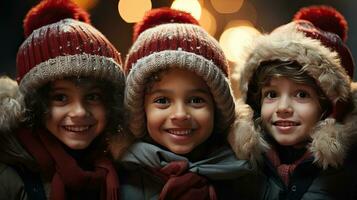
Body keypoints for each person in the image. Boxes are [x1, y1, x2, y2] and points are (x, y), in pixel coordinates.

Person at [110, 7, 260, 200]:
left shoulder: (246, 178)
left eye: (196, 100)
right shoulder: (119, 180)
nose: (180, 114)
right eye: (162, 101)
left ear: (218, 108)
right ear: (140, 111)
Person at [228, 5, 357, 200]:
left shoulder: (348, 172)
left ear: (328, 107)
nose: (283, 108)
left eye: (302, 95)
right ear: (256, 103)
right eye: (271, 94)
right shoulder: (239, 166)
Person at [0, 0, 125, 199]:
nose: (79, 112)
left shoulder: (117, 169)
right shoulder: (9, 176)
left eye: (93, 97)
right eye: (61, 97)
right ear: (34, 104)